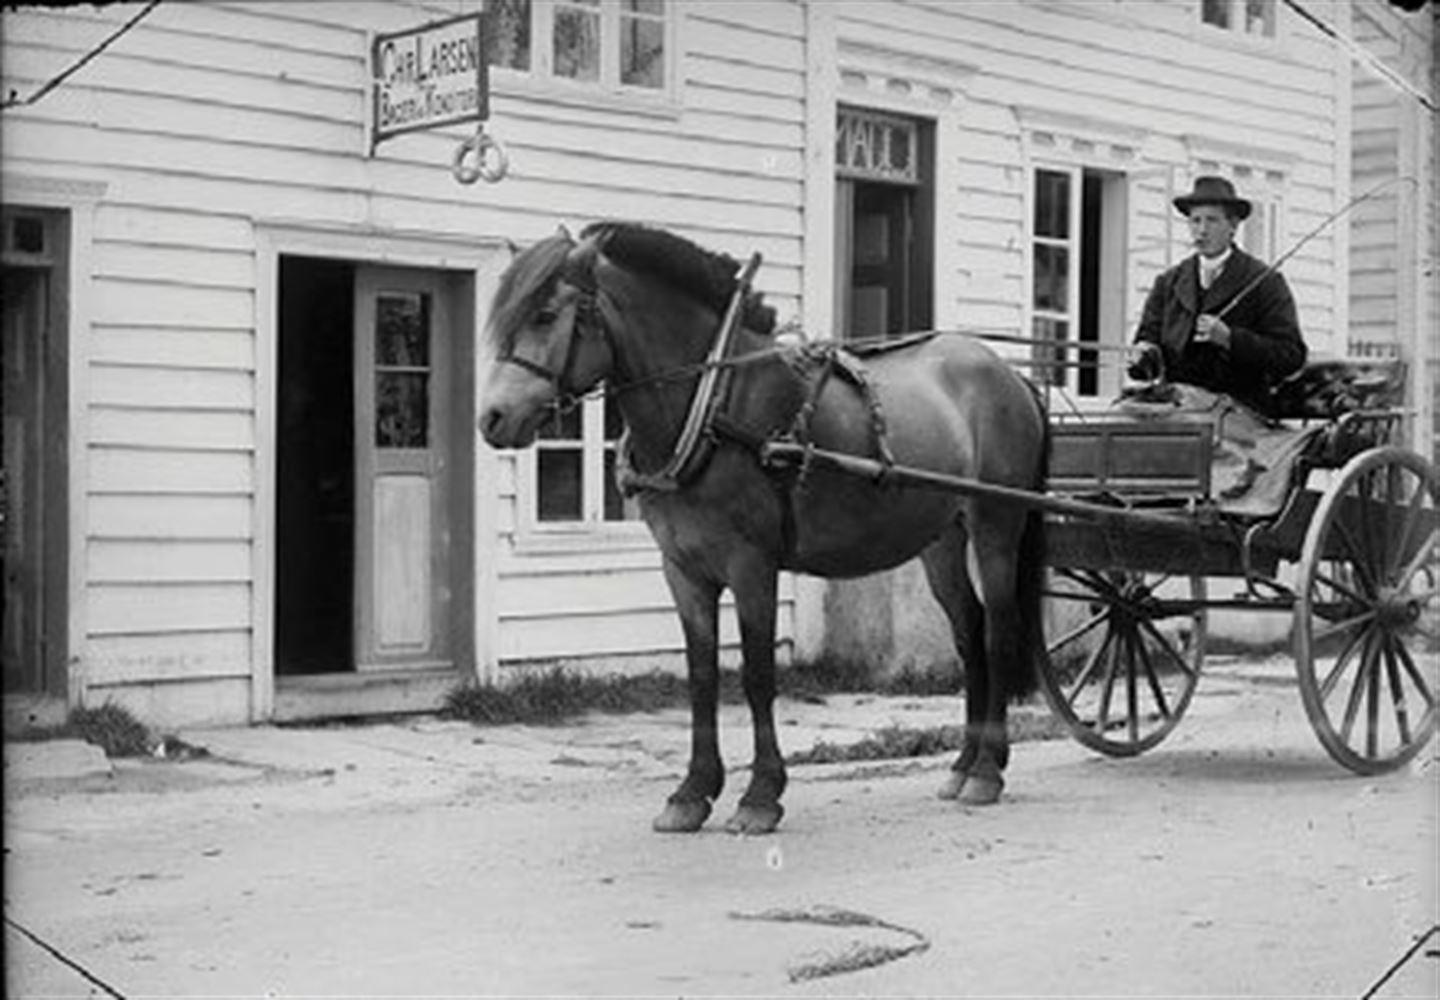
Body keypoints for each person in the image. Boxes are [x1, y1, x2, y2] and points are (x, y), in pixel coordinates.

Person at [1128, 176, 1306, 416]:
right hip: (1176, 406)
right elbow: (1148, 341)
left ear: (1233, 226)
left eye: (1211, 220)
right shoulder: (1168, 283)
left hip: (1239, 413)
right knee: (1120, 420)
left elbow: (1291, 356)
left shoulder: (1265, 281)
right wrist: (1143, 356)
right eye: (1195, 221)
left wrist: (1231, 339)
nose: (1201, 230)